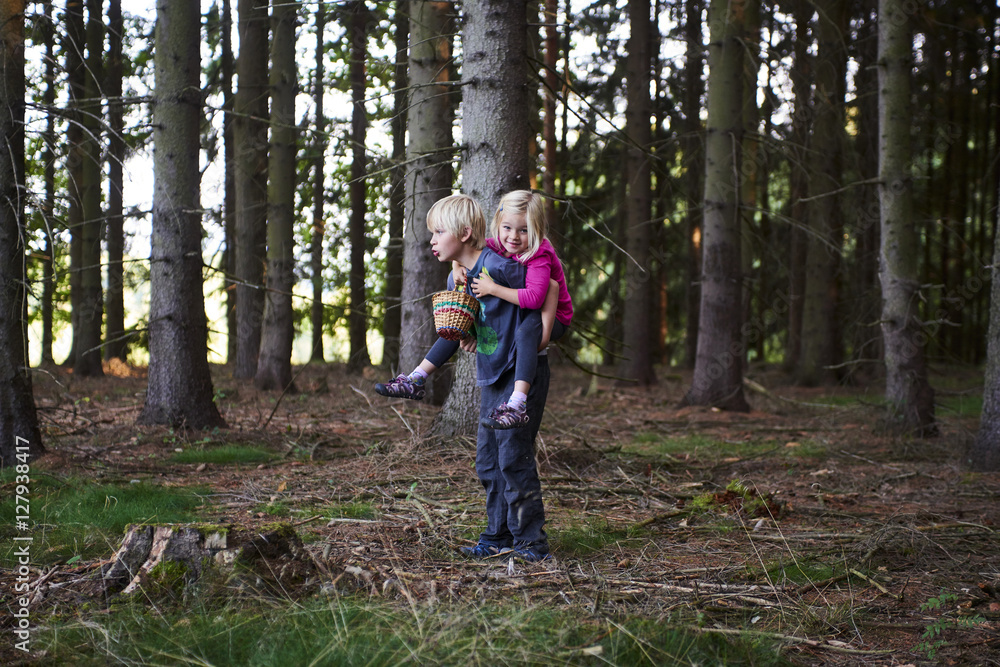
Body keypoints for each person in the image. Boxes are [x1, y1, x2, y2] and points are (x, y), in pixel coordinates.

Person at [374, 193, 552, 562]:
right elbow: (466, 322)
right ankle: (498, 536)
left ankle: (531, 544)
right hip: (491, 375)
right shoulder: (467, 274)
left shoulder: (498, 266)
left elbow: (540, 290)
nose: (432, 240)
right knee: (488, 462)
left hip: (521, 375)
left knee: (513, 460)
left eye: (439, 232)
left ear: (466, 233)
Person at [470, 190, 573, 429]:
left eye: (524, 230)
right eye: (507, 228)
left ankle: (517, 403)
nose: (513, 237)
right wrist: (456, 264)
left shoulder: (538, 255)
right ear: (498, 224)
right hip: (524, 312)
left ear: (536, 230)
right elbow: (472, 249)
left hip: (553, 316)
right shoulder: (498, 245)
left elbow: (536, 298)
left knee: (525, 333)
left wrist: (493, 289)